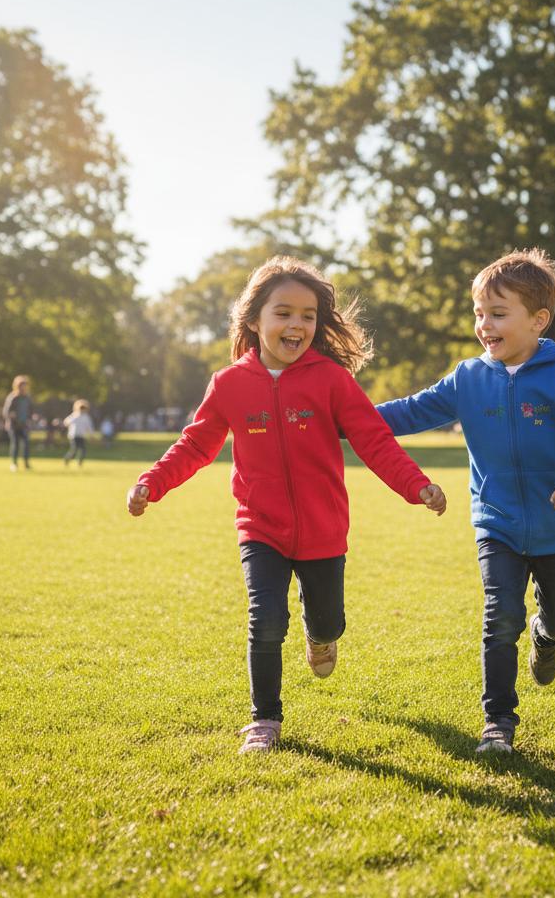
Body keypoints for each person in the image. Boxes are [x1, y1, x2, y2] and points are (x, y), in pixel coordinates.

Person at [126, 256, 447, 755]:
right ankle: (265, 720)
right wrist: (153, 482)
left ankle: (322, 636)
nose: (296, 324)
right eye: (284, 313)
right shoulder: (229, 384)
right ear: (254, 320)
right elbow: (195, 446)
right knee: (266, 617)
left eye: (308, 315)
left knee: (327, 619)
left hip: (324, 530)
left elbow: (374, 441)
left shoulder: (332, 380)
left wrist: (417, 486)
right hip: (261, 528)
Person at [376, 249, 555, 755]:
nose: (484, 324)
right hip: (497, 523)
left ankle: (547, 634)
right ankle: (498, 724)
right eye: (479, 313)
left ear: (539, 321)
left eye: (498, 313)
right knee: (498, 616)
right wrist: (340, 413)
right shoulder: (468, 377)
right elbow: (409, 412)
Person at [3, 375, 34, 471]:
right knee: (15, 444)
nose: (23, 387)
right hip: (14, 425)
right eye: (22, 385)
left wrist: (30, 419)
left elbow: (30, 410)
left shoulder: (28, 398)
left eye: (25, 385)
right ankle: (14, 463)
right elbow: (6, 412)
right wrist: (12, 417)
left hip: (24, 425)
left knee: (26, 444)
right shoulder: (13, 397)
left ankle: (26, 463)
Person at [63, 400, 95, 466]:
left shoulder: (86, 417)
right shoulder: (74, 415)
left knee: (83, 450)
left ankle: (80, 463)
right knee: (74, 450)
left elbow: (89, 427)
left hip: (81, 436)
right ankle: (67, 459)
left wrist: (91, 435)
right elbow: (66, 422)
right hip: (74, 436)